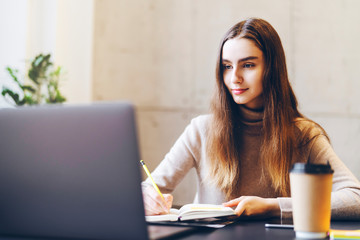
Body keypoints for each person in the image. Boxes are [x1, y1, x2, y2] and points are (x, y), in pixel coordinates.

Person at [142, 18, 360, 219]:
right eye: (227, 66)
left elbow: (355, 198)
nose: (234, 78)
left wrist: (273, 206)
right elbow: (149, 189)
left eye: (248, 65)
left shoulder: (303, 135)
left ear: (272, 69)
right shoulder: (201, 129)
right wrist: (147, 199)